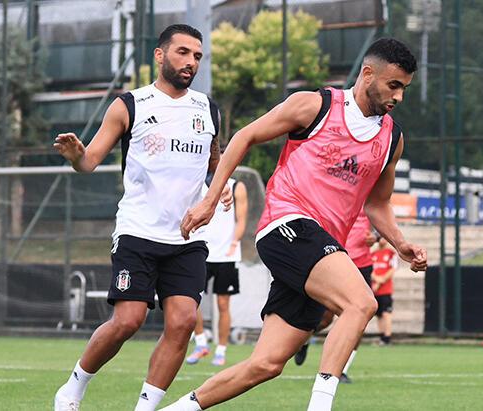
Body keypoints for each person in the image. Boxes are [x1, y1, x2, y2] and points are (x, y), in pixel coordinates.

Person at [164, 37, 426, 411]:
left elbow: (377, 202)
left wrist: (400, 244)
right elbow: (245, 136)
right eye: (394, 85)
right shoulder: (315, 106)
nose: (398, 96)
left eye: (405, 89)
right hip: (287, 223)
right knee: (360, 302)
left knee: (266, 364)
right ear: (368, 74)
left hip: (321, 249)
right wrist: (210, 198)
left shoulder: (392, 139)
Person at [52, 24, 230, 411]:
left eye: (197, 56)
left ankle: (145, 408)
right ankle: (73, 388)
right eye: (183, 52)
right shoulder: (130, 105)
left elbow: (215, 162)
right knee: (127, 321)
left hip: (187, 238)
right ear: (160, 55)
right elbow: (89, 161)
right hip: (138, 232)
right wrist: (77, 156)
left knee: (183, 323)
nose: (191, 62)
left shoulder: (209, 109)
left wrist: (221, 186)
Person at [293, 209, 377, 385]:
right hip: (333, 259)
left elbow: (382, 220)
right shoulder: (336, 197)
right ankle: (304, 340)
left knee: (360, 317)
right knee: (325, 319)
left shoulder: (371, 197)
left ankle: (342, 371)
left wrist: (375, 237)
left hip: (362, 263)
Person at [186, 174, 248, 366]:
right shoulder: (197, 182)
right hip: (202, 252)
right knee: (191, 300)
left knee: (223, 304)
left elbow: (241, 219)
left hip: (226, 256)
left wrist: (234, 243)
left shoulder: (236, 186)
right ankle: (201, 343)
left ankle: (221, 351)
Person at [371, 236, 397, 345]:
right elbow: (370, 269)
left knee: (387, 313)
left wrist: (380, 281)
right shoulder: (373, 253)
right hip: (374, 290)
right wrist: (376, 279)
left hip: (386, 289)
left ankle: (387, 337)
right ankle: (382, 337)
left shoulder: (391, 253)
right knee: (379, 314)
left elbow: (392, 269)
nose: (383, 240)